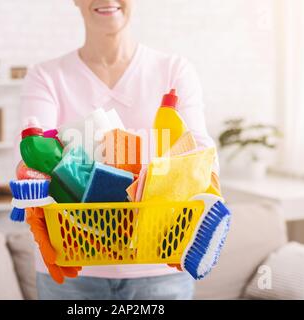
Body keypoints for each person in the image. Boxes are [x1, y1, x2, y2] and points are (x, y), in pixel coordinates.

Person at [20, 0, 220, 300]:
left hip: (159, 267)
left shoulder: (173, 70)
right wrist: (31, 179)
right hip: (73, 265)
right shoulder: (46, 76)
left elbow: (201, 157)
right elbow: (30, 162)